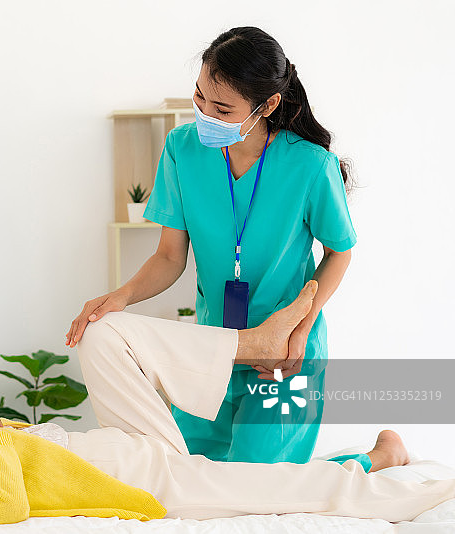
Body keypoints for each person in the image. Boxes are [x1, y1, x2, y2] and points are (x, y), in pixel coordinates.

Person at [0, 281, 455, 524]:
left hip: (119, 444)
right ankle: (393, 473)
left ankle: (254, 346)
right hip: (143, 480)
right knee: (288, 491)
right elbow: (0, 504)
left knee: (106, 333)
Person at [66, 26, 358, 468]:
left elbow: (339, 253)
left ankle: (375, 459)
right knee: (189, 472)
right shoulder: (182, 149)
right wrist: (121, 296)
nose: (205, 114)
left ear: (267, 105)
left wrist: (299, 327)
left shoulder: (310, 165)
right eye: (200, 97)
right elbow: (169, 257)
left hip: (282, 353)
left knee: (257, 486)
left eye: (222, 109)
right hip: (211, 350)